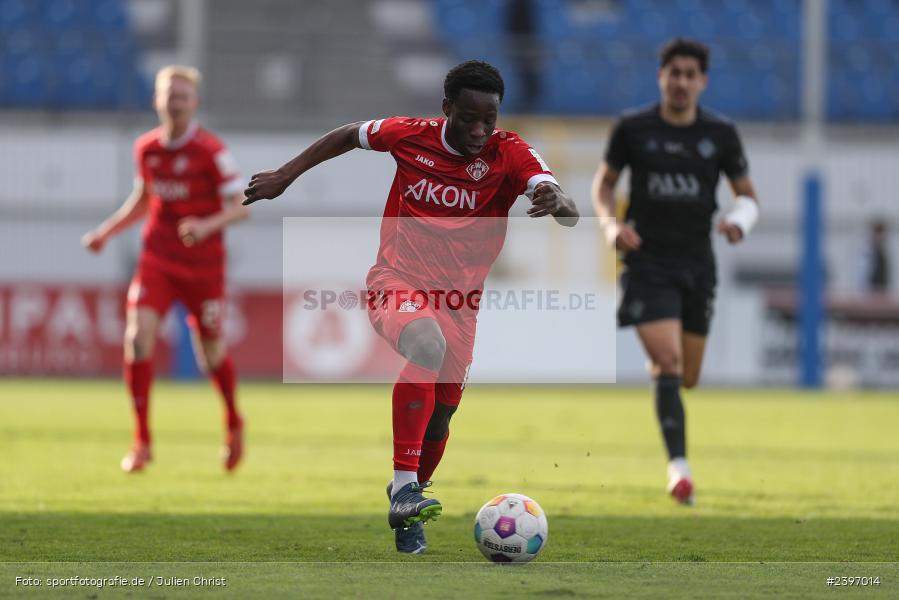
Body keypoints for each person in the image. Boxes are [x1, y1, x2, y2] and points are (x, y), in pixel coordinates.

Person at [243, 60, 578, 553]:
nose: (480, 130)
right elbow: (348, 134)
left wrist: (557, 201)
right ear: (447, 110)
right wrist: (285, 176)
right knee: (426, 342)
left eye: (490, 119)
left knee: (441, 419)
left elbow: (560, 203)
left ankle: (407, 509)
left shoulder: (510, 153)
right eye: (469, 118)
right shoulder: (409, 136)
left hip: (462, 304)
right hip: (396, 280)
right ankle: (403, 487)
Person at [591, 38, 760, 505]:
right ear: (661, 76)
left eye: (691, 74)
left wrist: (737, 221)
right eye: (675, 73)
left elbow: (748, 195)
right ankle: (679, 469)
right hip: (647, 261)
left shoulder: (721, 134)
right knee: (668, 363)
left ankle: (666, 382)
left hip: (697, 266)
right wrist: (610, 226)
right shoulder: (632, 128)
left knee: (686, 377)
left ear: (702, 81)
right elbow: (603, 184)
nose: (682, 81)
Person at [82, 66, 249, 473]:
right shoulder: (147, 149)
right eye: (168, 95)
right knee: (137, 339)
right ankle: (141, 440)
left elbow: (240, 207)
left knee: (210, 354)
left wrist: (205, 226)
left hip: (203, 267)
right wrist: (106, 232)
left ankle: (233, 420)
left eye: (182, 96)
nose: (175, 102)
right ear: (157, 100)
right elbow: (142, 200)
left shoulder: (211, 150)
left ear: (195, 103)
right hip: (158, 258)